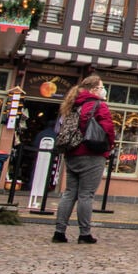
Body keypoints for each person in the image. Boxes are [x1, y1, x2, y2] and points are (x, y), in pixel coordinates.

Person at [52, 75, 115, 244]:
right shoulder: (98, 105)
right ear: (94, 89)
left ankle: (59, 232)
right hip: (92, 154)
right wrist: (109, 146)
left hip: (72, 153)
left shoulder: (73, 104)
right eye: (101, 87)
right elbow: (108, 128)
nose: (103, 90)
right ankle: (84, 234)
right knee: (86, 194)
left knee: (69, 193)